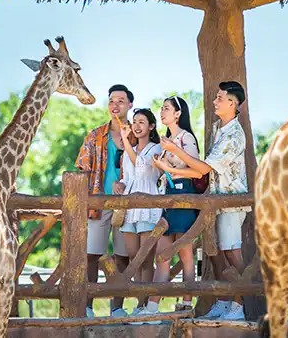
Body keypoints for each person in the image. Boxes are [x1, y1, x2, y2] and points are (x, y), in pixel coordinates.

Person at [158, 81, 251, 322]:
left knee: (232, 252)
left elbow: (203, 168)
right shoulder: (217, 129)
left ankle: (239, 305)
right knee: (216, 252)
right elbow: (202, 170)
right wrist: (171, 169)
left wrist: (175, 151)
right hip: (214, 200)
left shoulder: (234, 135)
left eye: (220, 98)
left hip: (230, 201)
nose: (214, 101)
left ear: (233, 103)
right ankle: (223, 300)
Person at [136, 96, 202, 323]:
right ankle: (152, 309)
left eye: (166, 109)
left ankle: (186, 305)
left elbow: (197, 170)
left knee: (186, 255)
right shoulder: (167, 140)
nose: (162, 112)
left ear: (177, 114)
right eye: (162, 109)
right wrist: (161, 166)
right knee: (162, 256)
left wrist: (167, 167)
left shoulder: (186, 138)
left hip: (184, 198)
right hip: (168, 199)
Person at [76, 84, 133, 318]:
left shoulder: (137, 134)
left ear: (130, 105)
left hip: (128, 204)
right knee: (91, 254)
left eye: (120, 101)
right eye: (111, 101)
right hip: (98, 203)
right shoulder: (95, 135)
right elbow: (81, 168)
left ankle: (117, 308)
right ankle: (87, 307)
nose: (115, 105)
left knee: (123, 257)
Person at [115, 108, 163, 312]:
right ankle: (139, 303)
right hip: (128, 208)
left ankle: (144, 306)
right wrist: (119, 184)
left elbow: (141, 168)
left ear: (151, 126)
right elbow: (128, 176)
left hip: (148, 205)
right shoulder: (129, 150)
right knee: (134, 258)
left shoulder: (156, 148)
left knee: (145, 258)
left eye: (141, 122)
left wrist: (126, 142)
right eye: (134, 121)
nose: (136, 125)